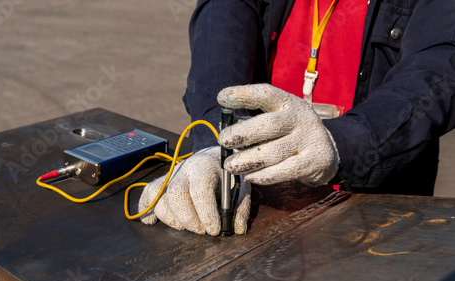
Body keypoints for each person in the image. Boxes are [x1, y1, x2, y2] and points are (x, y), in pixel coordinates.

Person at [138, 0, 455, 236]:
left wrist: (339, 144)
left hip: (373, 221)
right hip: (259, 209)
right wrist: (220, 137)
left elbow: (437, 67)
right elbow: (224, 17)